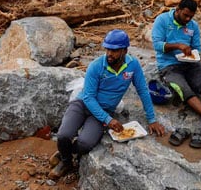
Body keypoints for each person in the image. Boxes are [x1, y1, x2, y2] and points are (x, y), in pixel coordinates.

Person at [49, 29, 165, 180]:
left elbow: (143, 90)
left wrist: (152, 119)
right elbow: (89, 97)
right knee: (63, 135)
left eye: (115, 50)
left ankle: (67, 150)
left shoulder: (133, 65)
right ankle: (66, 161)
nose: (110, 53)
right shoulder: (96, 66)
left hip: (104, 109)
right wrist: (108, 120)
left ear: (125, 50)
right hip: (83, 104)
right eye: (108, 49)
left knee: (85, 143)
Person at [151, 0, 201, 135]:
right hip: (169, 65)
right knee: (182, 89)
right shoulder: (162, 20)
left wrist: (193, 54)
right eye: (185, 15)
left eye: (191, 17)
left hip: (190, 63)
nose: (188, 19)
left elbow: (197, 48)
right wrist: (178, 46)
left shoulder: (193, 26)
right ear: (178, 10)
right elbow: (157, 45)